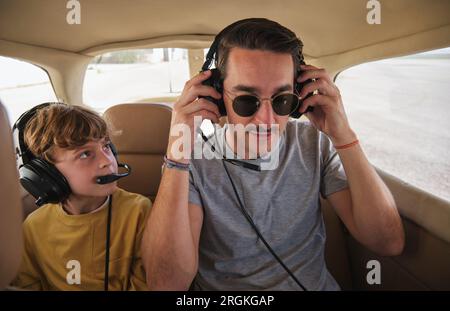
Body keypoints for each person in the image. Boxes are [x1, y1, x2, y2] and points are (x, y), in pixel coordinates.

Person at [142, 18, 404, 290]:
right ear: (217, 97)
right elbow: (165, 284)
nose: (266, 119)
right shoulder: (191, 161)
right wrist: (177, 151)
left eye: (282, 100)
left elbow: (388, 242)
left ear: (299, 98)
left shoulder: (314, 145)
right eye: (247, 100)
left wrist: (344, 136)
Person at [11, 103, 151, 290]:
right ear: (46, 174)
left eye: (106, 146)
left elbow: (145, 282)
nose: (107, 161)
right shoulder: (33, 227)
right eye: (85, 154)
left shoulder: (138, 212)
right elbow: (27, 284)